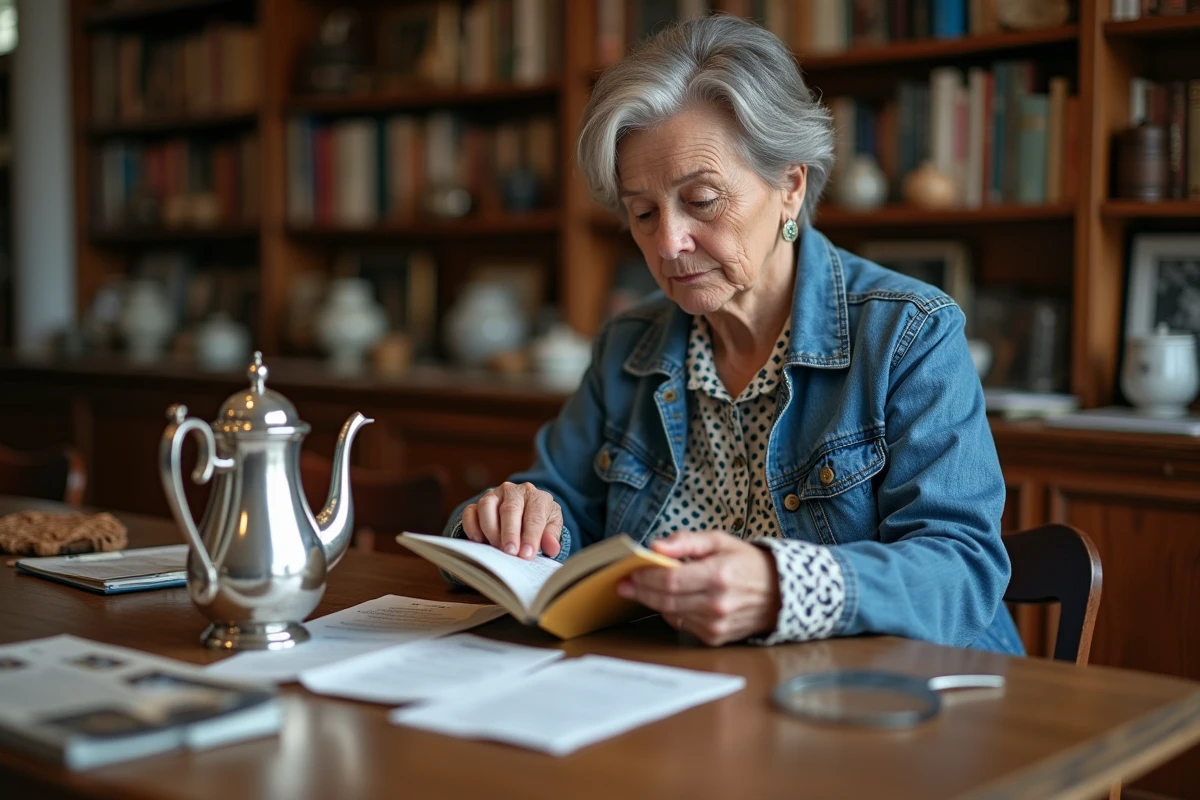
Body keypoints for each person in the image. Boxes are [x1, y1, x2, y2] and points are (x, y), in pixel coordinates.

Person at [441, 15, 1023, 654]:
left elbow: (963, 570)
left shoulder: (909, 335)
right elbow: (562, 509)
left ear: (790, 187)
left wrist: (783, 586)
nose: (668, 243)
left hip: (893, 706)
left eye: (703, 199)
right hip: (687, 699)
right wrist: (511, 523)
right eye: (642, 212)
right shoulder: (626, 347)